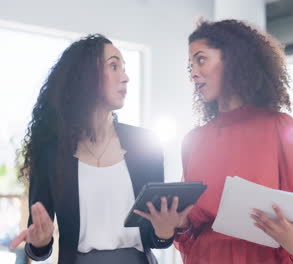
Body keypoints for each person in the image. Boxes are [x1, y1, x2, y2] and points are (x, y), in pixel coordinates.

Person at [10, 34, 191, 264]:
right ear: (86, 76)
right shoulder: (50, 153)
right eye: (114, 66)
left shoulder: (146, 144)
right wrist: (40, 241)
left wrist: (164, 231)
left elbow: (155, 239)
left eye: (124, 68)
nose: (125, 77)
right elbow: (39, 248)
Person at [174, 19, 293, 264]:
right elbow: (190, 237)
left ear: (232, 59)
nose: (193, 73)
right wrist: (177, 225)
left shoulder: (281, 128)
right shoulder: (192, 141)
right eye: (190, 65)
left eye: (201, 59)